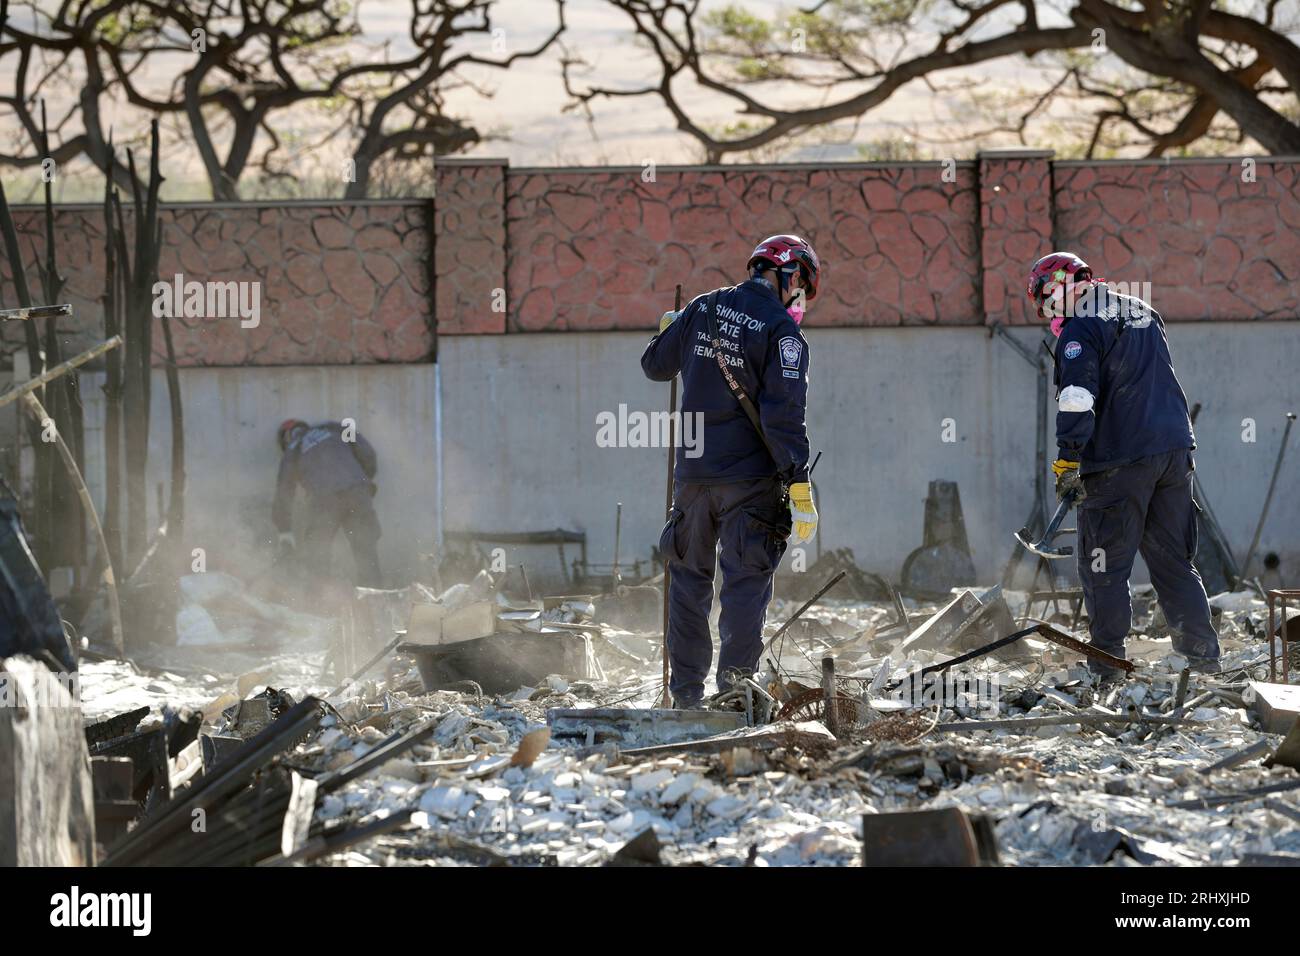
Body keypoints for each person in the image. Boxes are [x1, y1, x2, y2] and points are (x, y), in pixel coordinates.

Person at [642, 234, 821, 708]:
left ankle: (684, 697)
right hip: (750, 484)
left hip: (694, 479)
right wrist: (799, 483)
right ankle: (736, 694)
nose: (798, 294)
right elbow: (784, 416)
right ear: (790, 275)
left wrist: (669, 329)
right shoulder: (782, 332)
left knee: (688, 583)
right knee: (744, 586)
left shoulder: (701, 308)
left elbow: (656, 366)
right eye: (800, 282)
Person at [1026, 252, 1220, 682]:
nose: (1045, 311)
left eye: (1044, 299)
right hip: (1173, 452)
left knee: (1103, 565)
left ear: (1061, 285)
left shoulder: (1081, 326)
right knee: (1173, 561)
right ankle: (1204, 662)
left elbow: (1077, 397)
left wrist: (1068, 461)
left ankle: (1108, 667)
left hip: (1119, 460)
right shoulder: (1143, 311)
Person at [272, 419, 382, 588]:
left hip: (323, 499)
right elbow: (367, 454)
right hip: (358, 492)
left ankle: (320, 606)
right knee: (366, 553)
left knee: (318, 556)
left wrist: (284, 531)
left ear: (287, 435)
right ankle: (375, 603)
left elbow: (284, 491)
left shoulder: (294, 448)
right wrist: (360, 480)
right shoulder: (335, 428)